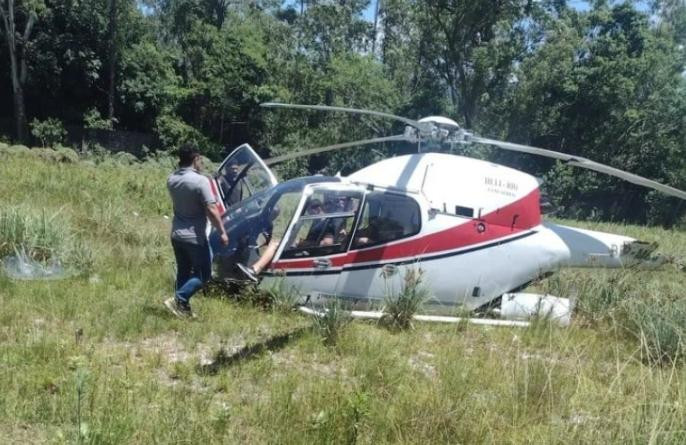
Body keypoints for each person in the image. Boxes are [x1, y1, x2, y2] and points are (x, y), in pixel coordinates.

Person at [164, 144, 229, 318]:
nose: (202, 163)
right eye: (200, 159)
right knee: (203, 274)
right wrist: (222, 231)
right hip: (195, 237)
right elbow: (212, 210)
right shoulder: (201, 181)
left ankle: (181, 310)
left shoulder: (172, 179)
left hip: (176, 235)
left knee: (183, 271)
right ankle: (179, 299)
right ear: (196, 159)